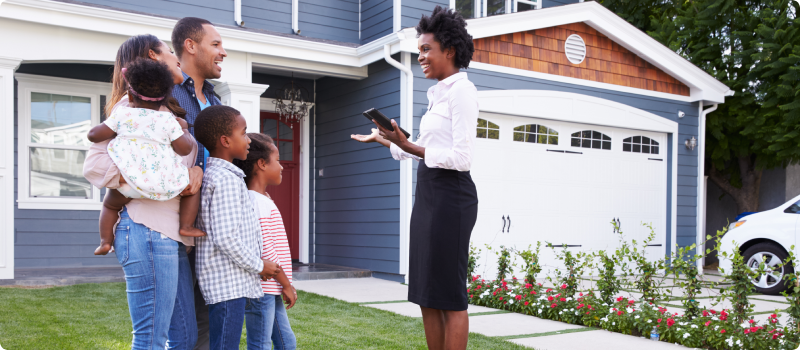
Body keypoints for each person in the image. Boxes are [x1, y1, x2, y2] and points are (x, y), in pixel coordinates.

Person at [350, 6, 479, 350]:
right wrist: (388, 139)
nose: (420, 56)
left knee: (449, 295)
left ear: (449, 51)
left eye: (426, 49)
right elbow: (421, 149)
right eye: (418, 49)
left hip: (452, 198)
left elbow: (462, 159)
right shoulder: (437, 94)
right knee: (426, 292)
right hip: (428, 196)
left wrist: (410, 145)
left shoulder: (461, 91)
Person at [82, 34, 204, 350]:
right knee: (151, 339)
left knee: (185, 337)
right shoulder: (131, 107)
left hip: (170, 236)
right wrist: (151, 179)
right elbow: (95, 167)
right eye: (169, 51)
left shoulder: (165, 110)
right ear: (153, 57)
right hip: (146, 231)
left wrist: (194, 171)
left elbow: (181, 156)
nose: (177, 57)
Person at [89, 58, 206, 256]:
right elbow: (184, 149)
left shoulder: (123, 114)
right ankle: (186, 225)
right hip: (166, 185)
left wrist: (109, 127)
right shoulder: (168, 120)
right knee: (193, 188)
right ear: (164, 100)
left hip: (129, 185)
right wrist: (184, 129)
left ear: (130, 97)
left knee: (110, 204)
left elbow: (94, 136)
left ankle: (105, 241)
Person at [193, 105, 283, 350]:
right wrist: (260, 265)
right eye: (243, 133)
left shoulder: (220, 176)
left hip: (228, 282)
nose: (248, 141)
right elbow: (226, 238)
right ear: (225, 140)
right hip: (227, 286)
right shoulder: (226, 181)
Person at [169, 18, 228, 349]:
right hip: (175, 228)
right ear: (190, 46)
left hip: (211, 228)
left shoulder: (216, 102)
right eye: (216, 44)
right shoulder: (168, 93)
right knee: (180, 328)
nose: (223, 52)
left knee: (208, 317)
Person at [233, 133, 298, 350]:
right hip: (261, 289)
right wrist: (287, 284)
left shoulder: (261, 200)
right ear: (261, 164)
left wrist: (282, 284)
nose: (281, 166)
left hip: (271, 287)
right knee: (259, 344)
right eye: (277, 160)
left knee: (286, 342)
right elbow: (266, 252)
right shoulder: (256, 202)